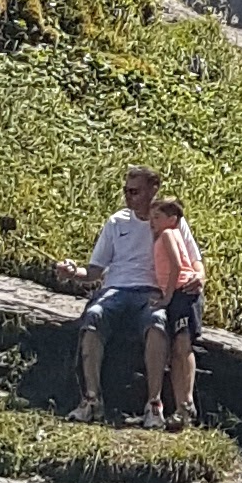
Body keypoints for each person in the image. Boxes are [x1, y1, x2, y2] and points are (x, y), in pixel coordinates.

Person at [72, 168, 164, 419]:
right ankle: (92, 398)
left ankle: (154, 403)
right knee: (93, 315)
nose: (128, 197)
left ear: (154, 189)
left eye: (135, 191)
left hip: (151, 291)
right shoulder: (116, 222)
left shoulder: (168, 221)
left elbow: (189, 260)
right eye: (126, 191)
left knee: (158, 322)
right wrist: (73, 272)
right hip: (116, 289)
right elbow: (94, 271)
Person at [147, 189, 206, 430]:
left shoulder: (168, 234)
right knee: (175, 347)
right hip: (177, 294)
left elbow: (177, 266)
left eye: (157, 217)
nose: (152, 222)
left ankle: (186, 402)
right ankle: (181, 406)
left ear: (172, 219)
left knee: (183, 344)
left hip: (183, 294)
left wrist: (168, 296)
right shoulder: (165, 234)